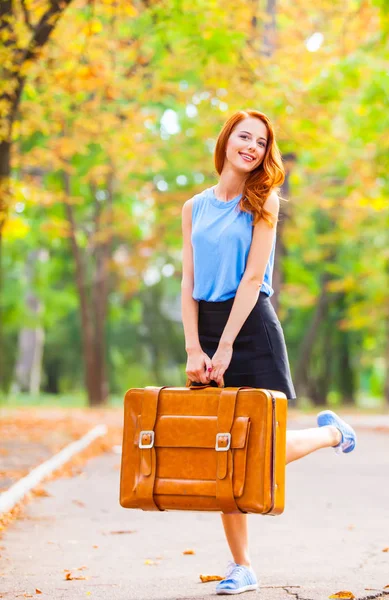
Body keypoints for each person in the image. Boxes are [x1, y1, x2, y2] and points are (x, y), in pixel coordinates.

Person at [180, 109, 356, 595]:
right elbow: (189, 282)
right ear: (226, 142)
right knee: (225, 454)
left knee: (259, 451)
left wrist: (229, 344)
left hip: (251, 326)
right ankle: (242, 566)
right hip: (210, 327)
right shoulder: (193, 207)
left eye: (261, 141)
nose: (252, 147)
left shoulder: (264, 203)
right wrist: (196, 347)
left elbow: (253, 279)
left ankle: (329, 434)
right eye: (244, 136)